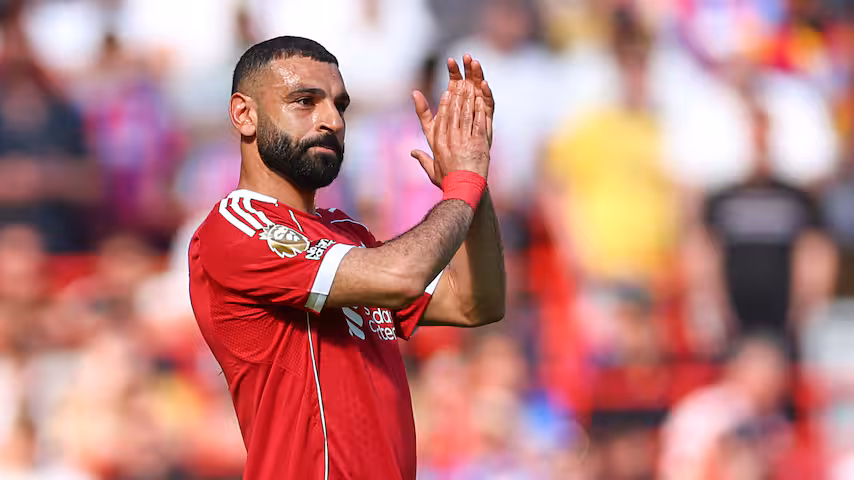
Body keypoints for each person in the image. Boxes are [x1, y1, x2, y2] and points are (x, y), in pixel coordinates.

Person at [188, 36, 505, 480]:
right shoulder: (236, 226)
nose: (332, 121)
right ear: (244, 114)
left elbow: (476, 303)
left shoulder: (347, 234)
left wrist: (474, 179)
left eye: (340, 106)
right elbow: (402, 276)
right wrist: (462, 186)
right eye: (305, 101)